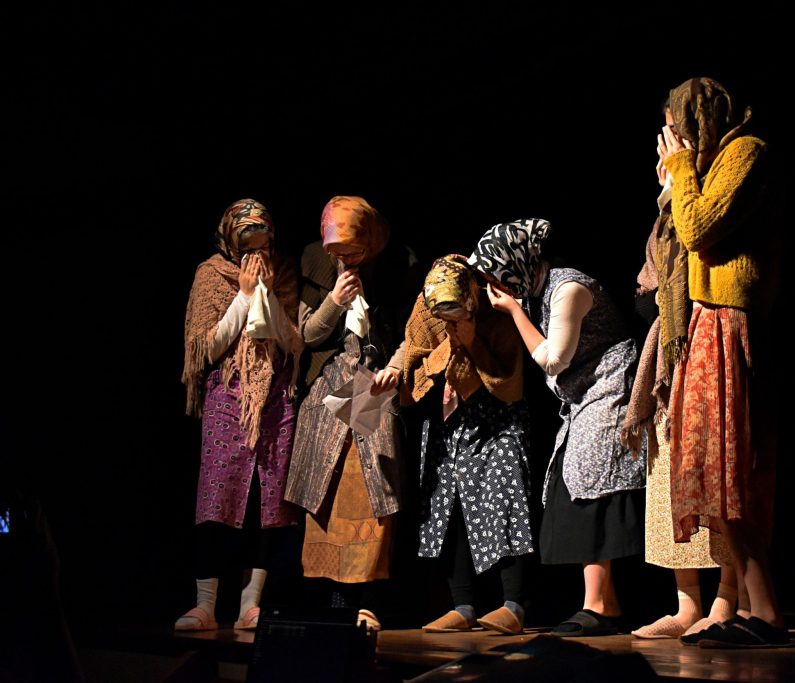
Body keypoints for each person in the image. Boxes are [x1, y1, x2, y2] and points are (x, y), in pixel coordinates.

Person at [471, 219, 645, 637]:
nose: (495, 286)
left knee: (592, 486)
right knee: (576, 485)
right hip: (584, 395)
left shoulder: (568, 288)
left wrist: (514, 312)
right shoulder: (540, 291)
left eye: (496, 274)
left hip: (610, 388)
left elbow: (553, 360)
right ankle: (603, 604)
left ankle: (600, 605)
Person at [660, 77, 787, 648]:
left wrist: (682, 169)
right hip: (707, 321)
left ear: (697, 119)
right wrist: (676, 181)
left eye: (676, 128)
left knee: (732, 468)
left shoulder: (746, 152)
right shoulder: (710, 165)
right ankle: (754, 609)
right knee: (713, 470)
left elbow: (697, 228)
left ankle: (766, 611)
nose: (671, 140)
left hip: (731, 321)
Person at [624, 115, 739, 639]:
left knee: (714, 476)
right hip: (669, 355)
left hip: (705, 339)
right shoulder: (668, 211)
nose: (662, 160)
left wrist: (679, 188)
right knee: (669, 478)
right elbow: (653, 280)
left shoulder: (707, 196)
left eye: (671, 147)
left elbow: (699, 251)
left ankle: (728, 598)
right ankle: (687, 603)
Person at [285, 196, 415, 631]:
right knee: (325, 492)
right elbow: (307, 334)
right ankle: (331, 603)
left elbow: (412, 334)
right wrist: (335, 301)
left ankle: (368, 602)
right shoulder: (314, 261)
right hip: (329, 385)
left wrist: (395, 367)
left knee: (373, 492)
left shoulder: (396, 266)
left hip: (371, 383)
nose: (345, 258)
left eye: (353, 250)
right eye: (337, 251)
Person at [178, 198, 303, 631]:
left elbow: (292, 341)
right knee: (217, 497)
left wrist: (267, 292)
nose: (257, 255)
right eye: (248, 247)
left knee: (265, 502)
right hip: (227, 395)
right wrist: (245, 295)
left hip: (274, 397)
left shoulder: (283, 271)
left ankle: (251, 604)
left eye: (263, 246)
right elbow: (207, 347)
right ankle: (206, 604)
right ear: (231, 243)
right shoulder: (211, 274)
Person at [401, 255, 535, 635]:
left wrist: (473, 342)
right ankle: (462, 606)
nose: (449, 319)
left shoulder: (493, 310)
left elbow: (510, 381)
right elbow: (415, 362)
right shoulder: (425, 312)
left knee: (505, 499)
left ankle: (513, 604)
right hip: (449, 421)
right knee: (449, 507)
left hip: (497, 417)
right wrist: (446, 349)